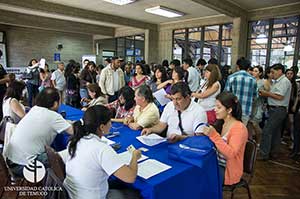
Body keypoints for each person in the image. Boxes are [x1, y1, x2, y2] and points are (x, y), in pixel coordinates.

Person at [63, 105, 141, 199]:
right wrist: (134, 157)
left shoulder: (75, 140)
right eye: (109, 122)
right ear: (102, 127)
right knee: (134, 195)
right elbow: (130, 177)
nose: (111, 125)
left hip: (72, 193)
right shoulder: (102, 149)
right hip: (89, 195)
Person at [6, 88, 73, 177]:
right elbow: (74, 131)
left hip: (11, 162)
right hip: (26, 167)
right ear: (56, 103)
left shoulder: (34, 109)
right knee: (68, 154)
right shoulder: (53, 116)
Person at [202, 92, 248, 185]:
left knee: (200, 177)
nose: (215, 110)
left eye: (219, 107)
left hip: (228, 171)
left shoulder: (239, 128)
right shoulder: (222, 123)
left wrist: (214, 135)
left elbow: (231, 154)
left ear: (229, 110)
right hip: (216, 163)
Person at [142, 82, 207, 142]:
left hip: (187, 146)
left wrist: (180, 138)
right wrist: (151, 129)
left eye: (178, 99)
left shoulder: (199, 112)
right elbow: (161, 125)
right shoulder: (169, 105)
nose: (175, 103)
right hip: (169, 143)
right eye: (173, 99)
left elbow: (199, 139)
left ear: (187, 97)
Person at [258, 63, 292, 160]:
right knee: (276, 133)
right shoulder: (277, 81)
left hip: (279, 109)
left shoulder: (284, 81)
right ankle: (274, 152)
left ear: (280, 71)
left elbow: (280, 96)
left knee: (267, 131)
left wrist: (266, 94)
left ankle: (264, 154)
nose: (272, 74)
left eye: (273, 72)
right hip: (275, 109)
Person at [225, 57, 257, 125]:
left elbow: (226, 95)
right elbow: (255, 96)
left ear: (237, 67)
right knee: (242, 131)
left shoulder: (231, 77)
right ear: (248, 68)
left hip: (233, 110)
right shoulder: (253, 80)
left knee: (231, 130)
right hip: (246, 110)